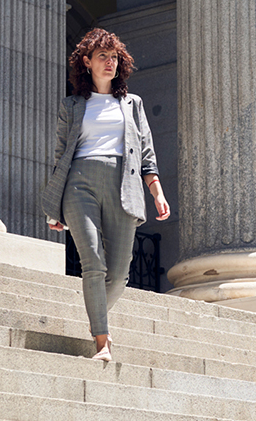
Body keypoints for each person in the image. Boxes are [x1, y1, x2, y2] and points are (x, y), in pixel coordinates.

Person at [41, 28, 170, 362]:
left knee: (119, 274)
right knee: (93, 264)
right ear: (87, 62)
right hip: (79, 183)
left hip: (123, 186)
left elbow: (146, 152)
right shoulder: (71, 106)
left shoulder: (131, 104)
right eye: (102, 56)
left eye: (114, 57)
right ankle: (103, 342)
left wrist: (157, 193)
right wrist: (55, 208)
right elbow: (60, 156)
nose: (110, 62)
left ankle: (94, 312)